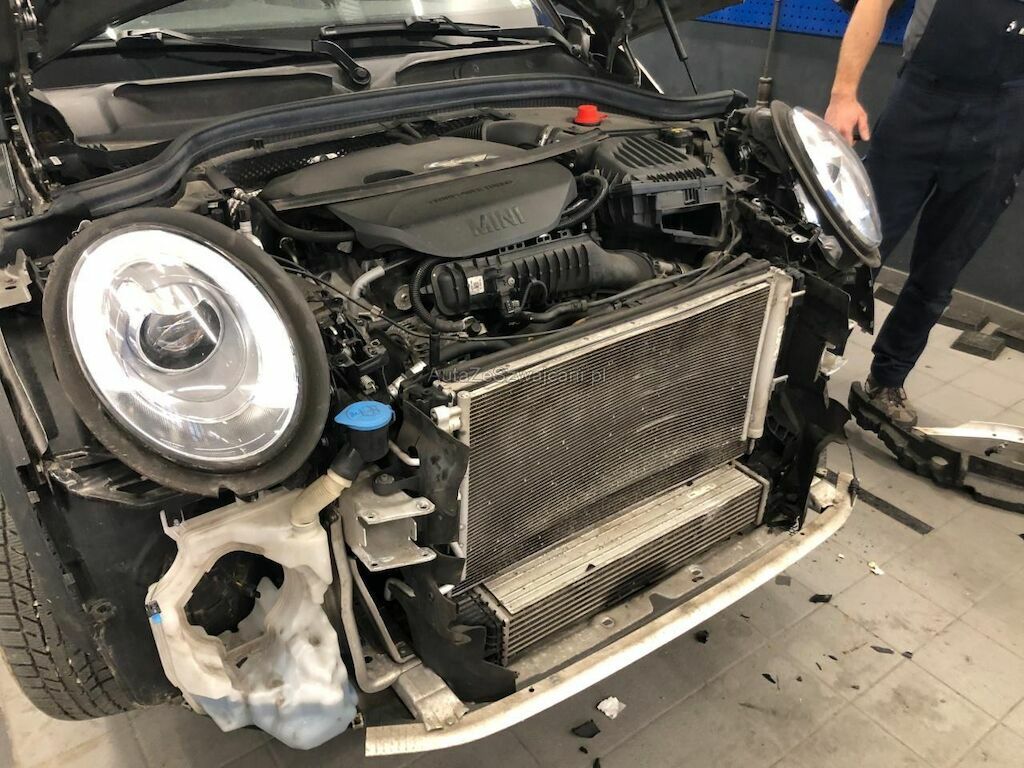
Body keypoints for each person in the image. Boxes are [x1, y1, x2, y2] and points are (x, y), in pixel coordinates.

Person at [824, 0, 1024, 428]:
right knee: (854, 248)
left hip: (1005, 120)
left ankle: (887, 381)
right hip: (922, 100)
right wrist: (843, 93)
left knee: (939, 272)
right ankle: (805, 360)